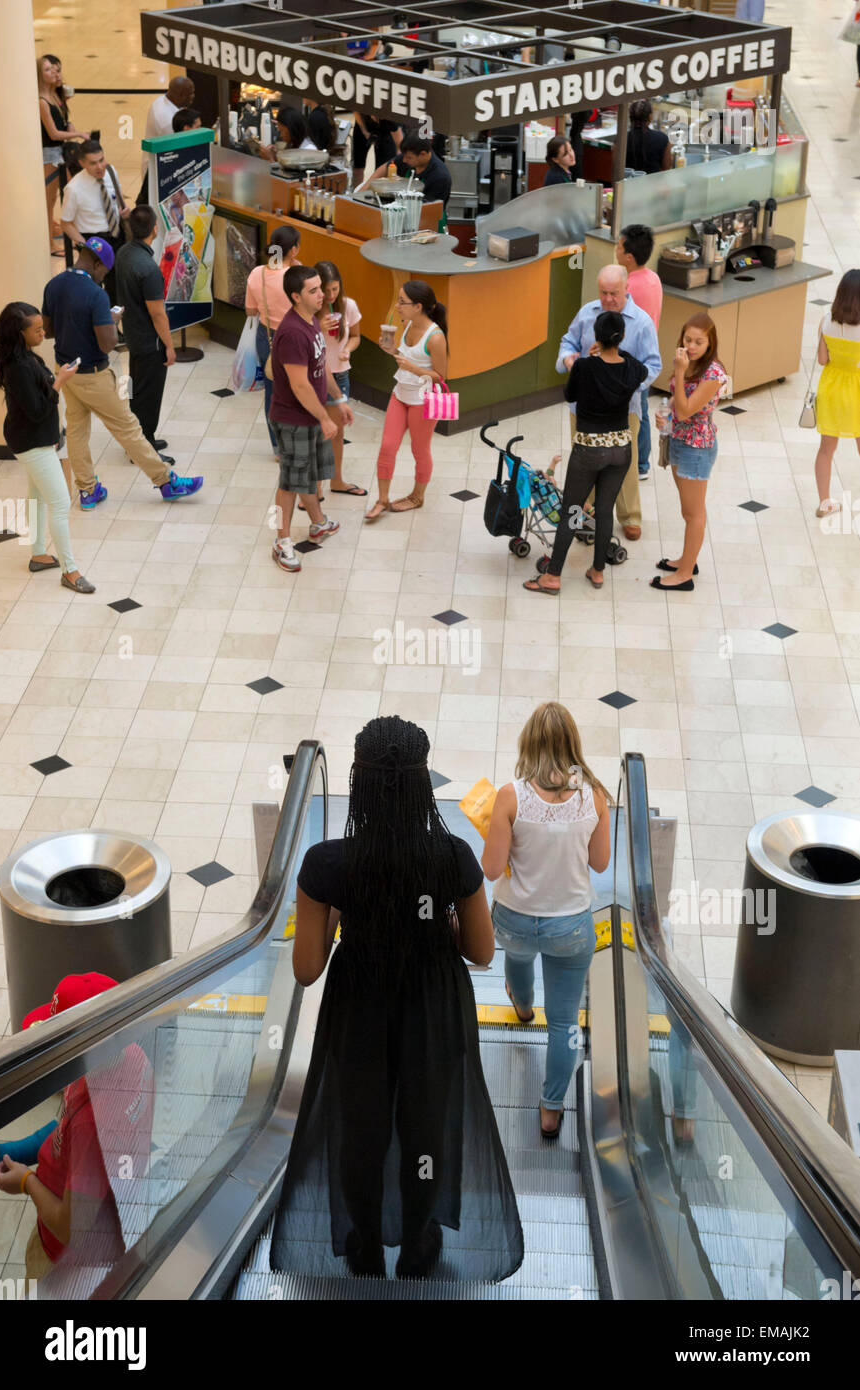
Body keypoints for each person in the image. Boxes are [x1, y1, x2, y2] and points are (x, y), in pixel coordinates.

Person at [269, 715, 523, 1282]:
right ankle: (417, 1243)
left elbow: (307, 969)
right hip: (432, 1010)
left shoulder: (327, 864)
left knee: (359, 1128)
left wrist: (339, 909)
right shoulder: (452, 856)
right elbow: (481, 952)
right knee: (424, 1129)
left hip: (358, 1008)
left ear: (358, 781)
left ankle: (361, 1247)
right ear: (421, 782)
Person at [482, 703, 611, 1139]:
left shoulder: (509, 797)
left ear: (528, 744)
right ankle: (551, 1109)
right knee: (563, 1023)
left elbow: (492, 869)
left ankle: (520, 1004)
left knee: (517, 959)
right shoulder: (593, 796)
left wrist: (500, 833)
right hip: (571, 928)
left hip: (516, 920)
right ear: (572, 744)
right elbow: (599, 862)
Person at [0, 974, 154, 1290]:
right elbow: (66, 1130)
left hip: (67, 1258)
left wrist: (26, 1181)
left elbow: (71, 1229)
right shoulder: (132, 1054)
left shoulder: (92, 1121)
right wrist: (10, 1151)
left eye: (58, 1042)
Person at [42, 238, 203, 509]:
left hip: (66, 371)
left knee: (78, 432)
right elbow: (108, 344)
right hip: (93, 375)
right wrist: (110, 320)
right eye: (104, 272)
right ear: (96, 264)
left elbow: (48, 331)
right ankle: (166, 482)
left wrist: (76, 325)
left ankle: (88, 490)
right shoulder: (96, 295)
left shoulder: (54, 284)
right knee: (128, 428)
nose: (103, 278)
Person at [526, 312, 646, 595]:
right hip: (620, 449)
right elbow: (639, 368)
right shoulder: (630, 368)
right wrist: (616, 349)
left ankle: (553, 576)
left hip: (589, 451)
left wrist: (592, 355)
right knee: (605, 510)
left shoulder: (584, 368)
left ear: (595, 336)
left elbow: (570, 395)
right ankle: (598, 572)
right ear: (622, 337)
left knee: (572, 510)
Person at [556, 264, 661, 541]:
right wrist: (570, 360)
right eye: (603, 293)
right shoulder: (587, 313)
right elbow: (568, 341)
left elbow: (652, 365)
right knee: (583, 464)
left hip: (624, 410)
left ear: (627, 289)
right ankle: (584, 515)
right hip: (585, 410)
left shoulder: (641, 322)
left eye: (614, 293)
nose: (608, 299)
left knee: (625, 465)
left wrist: (621, 382)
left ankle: (630, 517)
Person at [0, 301, 94, 593]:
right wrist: (60, 381)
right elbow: (37, 410)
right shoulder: (18, 367)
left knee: (37, 496)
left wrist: (56, 378)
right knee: (61, 503)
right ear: (19, 333)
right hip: (31, 442)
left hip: (36, 438)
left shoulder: (24, 356)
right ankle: (70, 571)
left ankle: (38, 553)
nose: (43, 332)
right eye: (36, 329)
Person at [269, 264, 353, 574]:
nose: (321, 294)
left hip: (311, 416)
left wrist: (338, 400)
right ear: (295, 296)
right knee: (288, 484)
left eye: (321, 288)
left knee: (307, 474)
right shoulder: (292, 332)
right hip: (293, 419)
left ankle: (318, 524)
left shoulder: (312, 321)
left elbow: (323, 367)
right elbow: (300, 384)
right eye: (313, 290)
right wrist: (323, 418)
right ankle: (281, 540)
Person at [651, 313, 727, 592]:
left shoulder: (713, 374)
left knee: (695, 513)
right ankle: (687, 558)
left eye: (698, 341)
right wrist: (666, 414)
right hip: (680, 439)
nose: (692, 346)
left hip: (698, 447)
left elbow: (686, 410)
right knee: (687, 510)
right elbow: (677, 403)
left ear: (710, 343)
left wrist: (680, 372)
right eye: (687, 340)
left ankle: (685, 574)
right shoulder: (691, 364)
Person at [365, 280, 448, 521]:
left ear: (418, 306)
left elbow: (440, 376)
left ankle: (417, 496)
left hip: (423, 400)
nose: (398, 305)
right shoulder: (408, 323)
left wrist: (413, 368)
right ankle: (382, 499)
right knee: (387, 446)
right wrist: (393, 352)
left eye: (402, 302)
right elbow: (406, 358)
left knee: (419, 450)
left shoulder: (436, 338)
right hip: (400, 395)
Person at [115, 205, 176, 462]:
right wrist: (170, 346)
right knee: (149, 395)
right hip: (150, 341)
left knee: (137, 389)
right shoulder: (149, 269)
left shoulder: (124, 253)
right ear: (154, 228)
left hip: (132, 333)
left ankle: (137, 439)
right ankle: (145, 447)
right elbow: (158, 313)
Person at [244, 225, 301, 459]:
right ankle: (296, 442)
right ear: (294, 250)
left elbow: (250, 311)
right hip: (294, 339)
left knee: (272, 392)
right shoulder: (298, 277)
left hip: (266, 336)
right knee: (298, 390)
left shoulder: (257, 273)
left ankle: (278, 447)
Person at [616, 223, 662, 480]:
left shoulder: (628, 287)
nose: (616, 250)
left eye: (618, 246)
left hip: (631, 358)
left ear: (628, 257)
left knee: (637, 411)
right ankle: (641, 462)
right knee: (641, 409)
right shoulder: (653, 279)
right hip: (647, 354)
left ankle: (641, 464)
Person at [316, 260, 366, 498]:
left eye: (335, 289)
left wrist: (349, 349)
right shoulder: (307, 308)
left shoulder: (348, 306)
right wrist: (317, 325)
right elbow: (296, 336)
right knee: (315, 433)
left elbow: (355, 336)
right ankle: (312, 490)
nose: (330, 295)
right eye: (326, 290)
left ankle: (337, 480)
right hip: (314, 377)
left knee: (336, 433)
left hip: (340, 373)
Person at [813, 269, 860, 516]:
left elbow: (822, 360)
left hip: (831, 388)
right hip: (857, 390)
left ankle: (824, 503)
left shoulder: (826, 321)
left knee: (826, 450)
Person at [60, 140, 130, 303]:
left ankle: (112, 323)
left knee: (116, 285)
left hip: (116, 234)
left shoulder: (111, 171)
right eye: (93, 163)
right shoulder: (74, 189)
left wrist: (124, 209)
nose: (100, 167)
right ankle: (97, 324)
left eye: (101, 160)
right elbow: (66, 223)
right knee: (94, 289)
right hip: (93, 240)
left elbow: (117, 198)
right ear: (82, 163)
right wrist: (84, 245)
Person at [38, 55, 88, 257]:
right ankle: (49, 243)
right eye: (49, 70)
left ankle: (74, 235)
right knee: (49, 201)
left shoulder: (57, 96)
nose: (55, 73)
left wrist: (72, 129)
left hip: (61, 153)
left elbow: (64, 124)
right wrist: (77, 134)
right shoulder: (42, 101)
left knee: (71, 194)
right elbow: (53, 133)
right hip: (50, 155)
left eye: (56, 69)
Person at [138, 75, 196, 202]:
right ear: (180, 95)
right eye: (191, 94)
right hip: (159, 173)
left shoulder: (161, 101)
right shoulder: (168, 122)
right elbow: (179, 152)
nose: (193, 97)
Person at [369, 132, 452, 214]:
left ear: (423, 154)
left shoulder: (440, 177)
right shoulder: (409, 157)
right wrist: (358, 197)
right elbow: (385, 168)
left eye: (409, 158)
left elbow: (427, 212)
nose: (404, 160)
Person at [626, 99, 671, 175]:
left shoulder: (621, 140)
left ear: (630, 118)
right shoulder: (662, 138)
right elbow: (666, 168)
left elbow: (616, 168)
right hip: (654, 184)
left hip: (627, 184)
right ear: (650, 117)